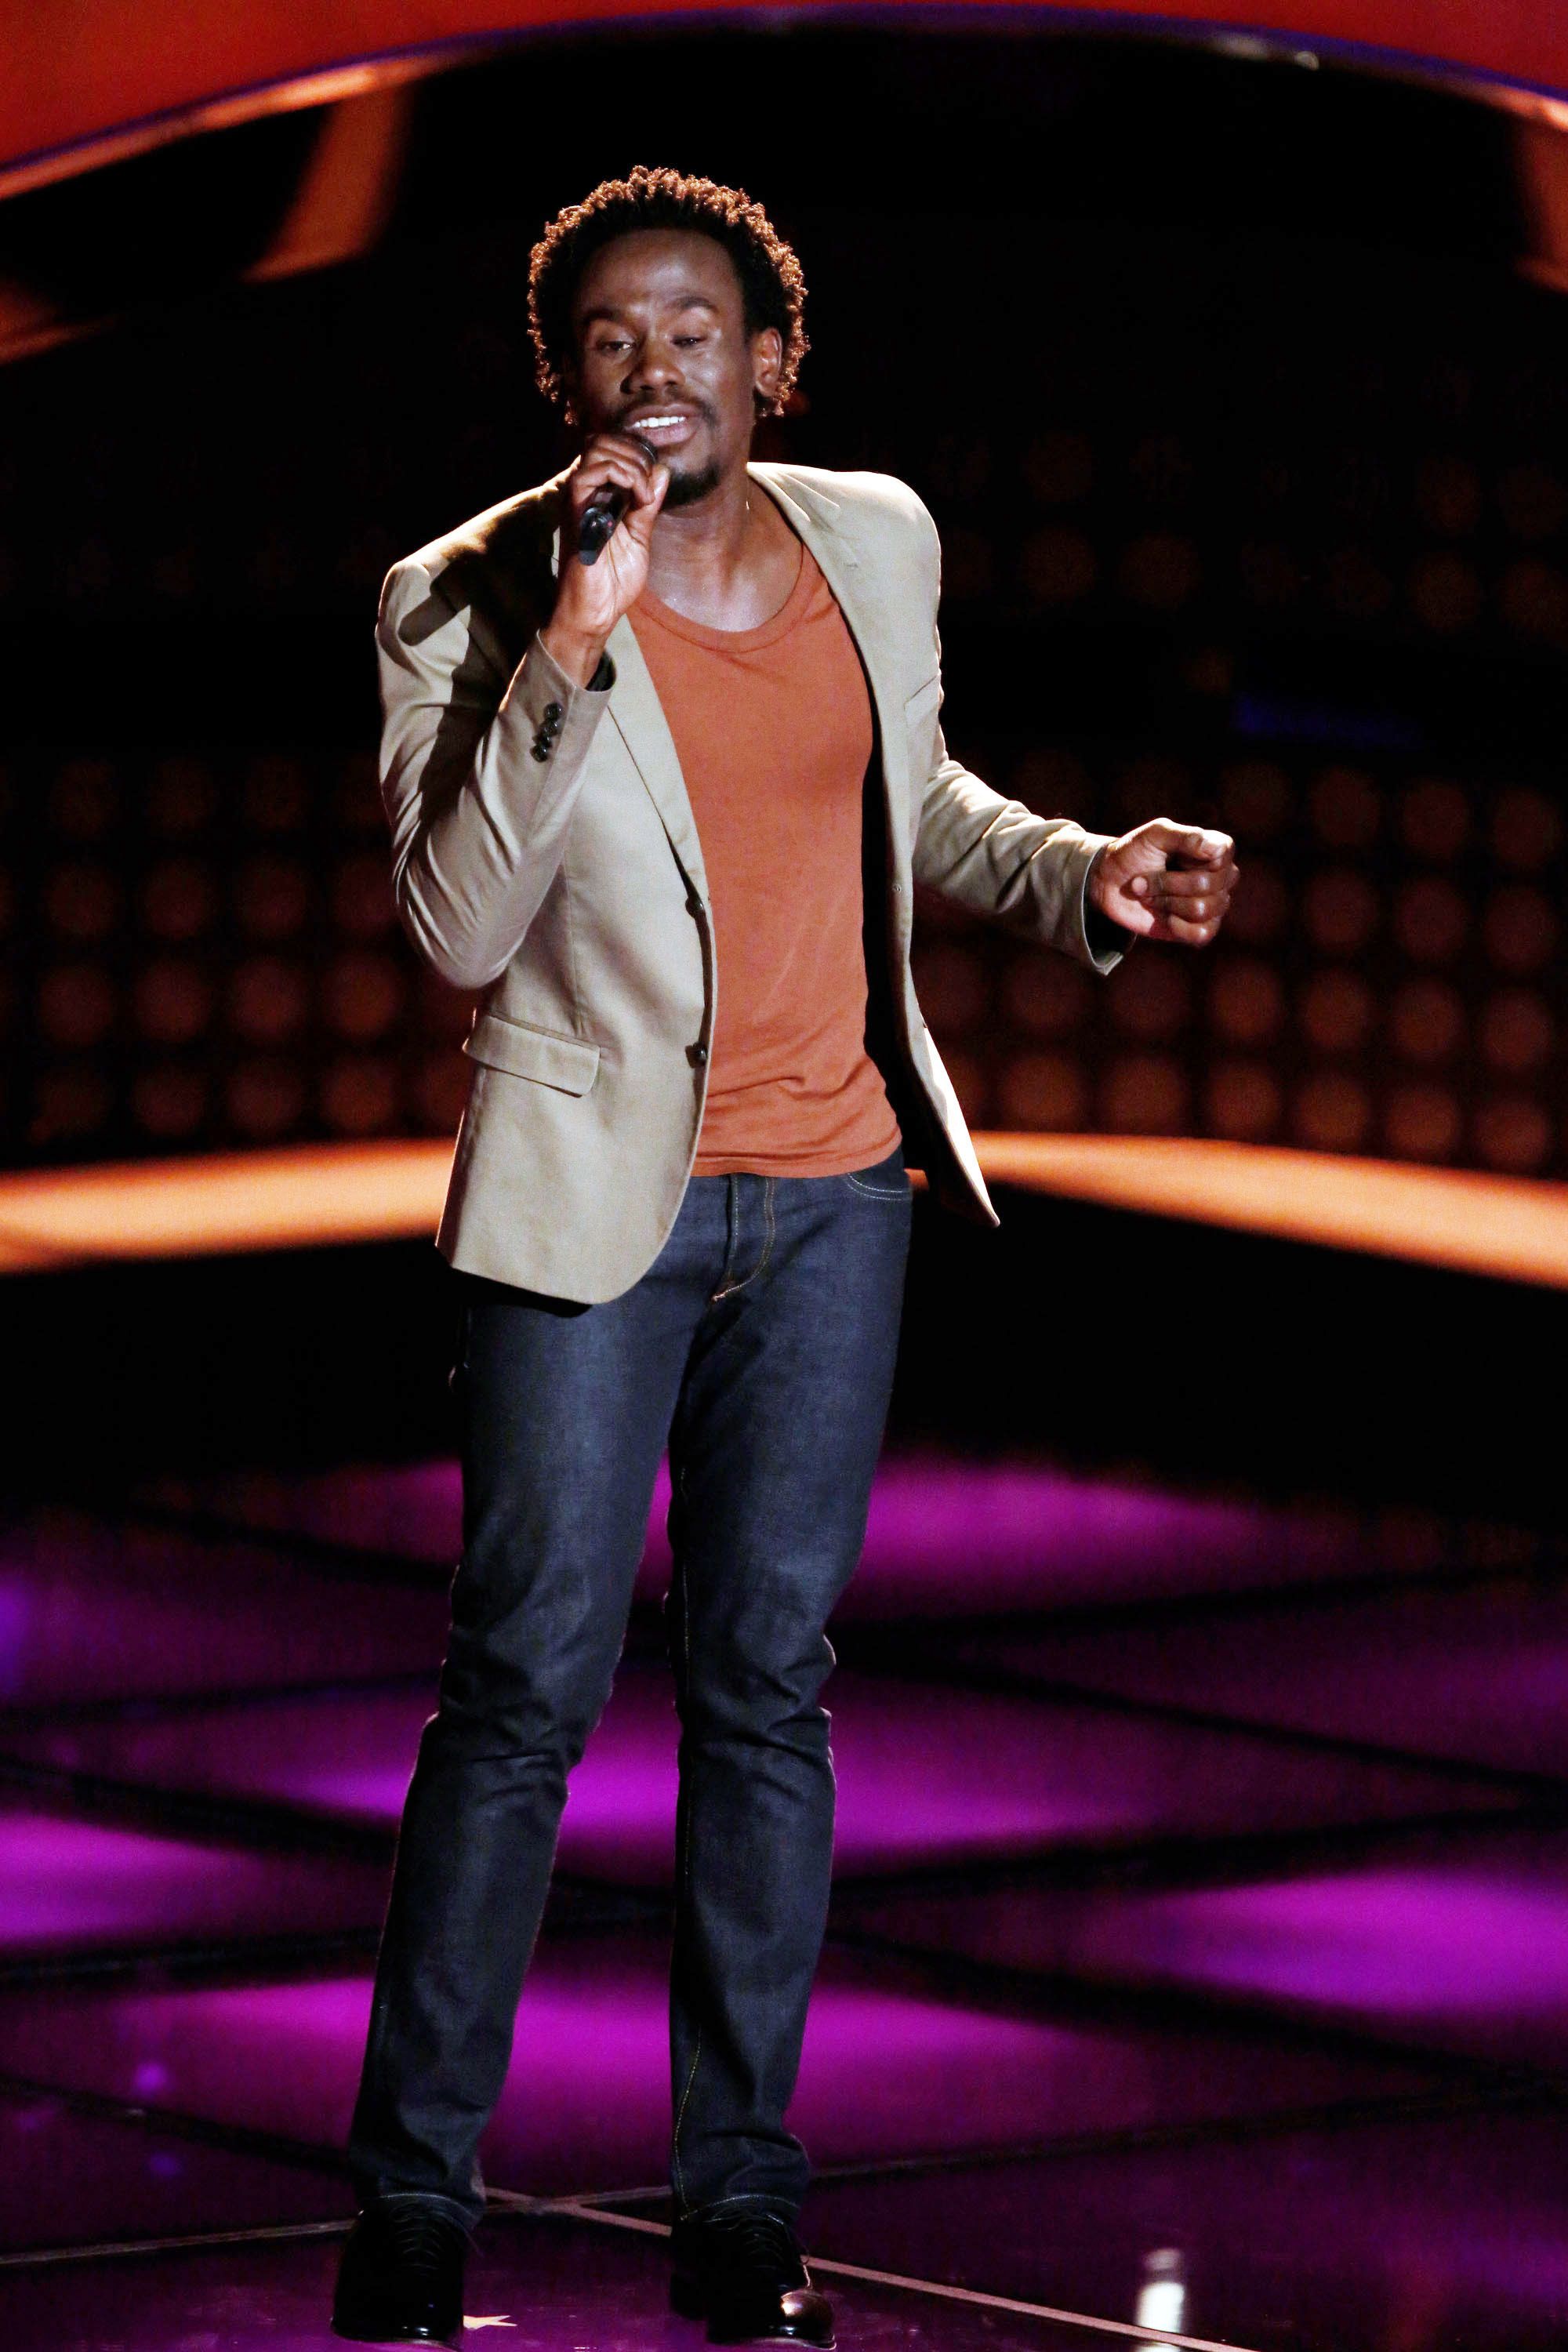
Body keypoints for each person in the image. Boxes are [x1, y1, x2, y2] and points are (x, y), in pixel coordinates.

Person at [332, 165, 1238, 2351]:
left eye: (695, 333)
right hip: (591, 1214)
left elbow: (906, 799)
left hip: (834, 1203)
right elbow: (456, 918)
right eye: (613, 342)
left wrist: (1080, 875)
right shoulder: (462, 599)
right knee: (522, 1696)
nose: (658, 372)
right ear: (564, 381)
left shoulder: (878, 539)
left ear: (772, 360)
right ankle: (415, 2205)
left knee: (767, 1700)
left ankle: (740, 2200)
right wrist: (577, 635)